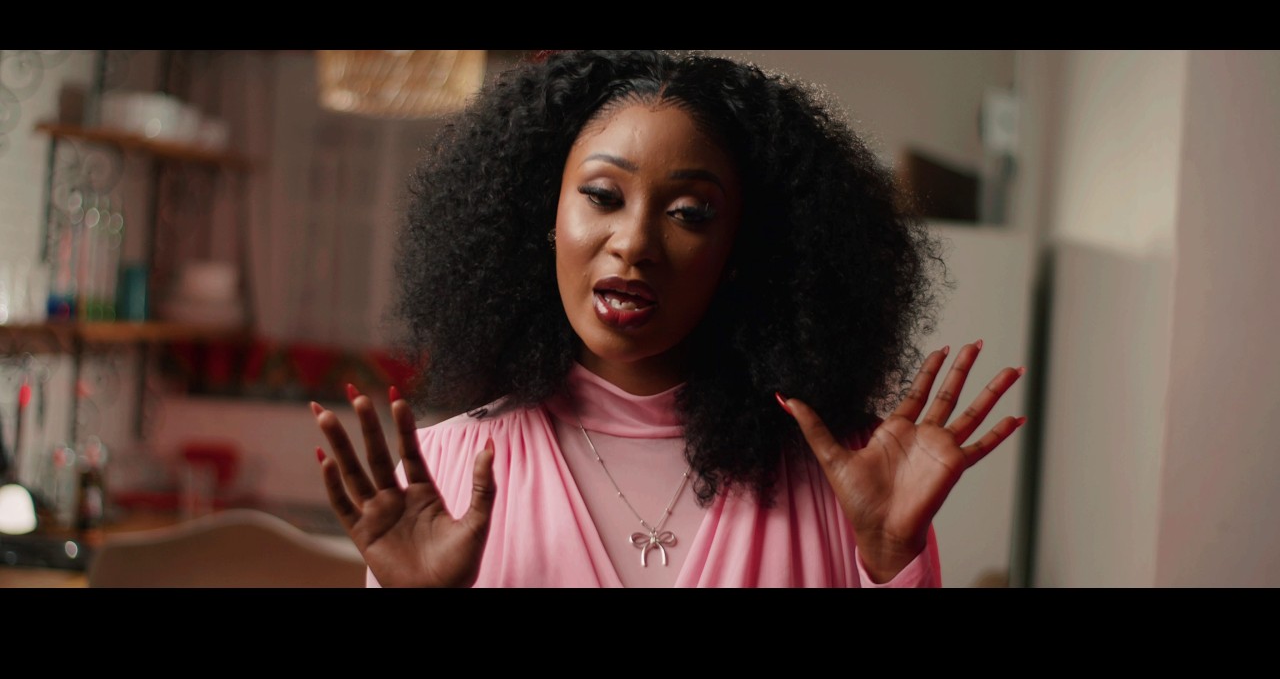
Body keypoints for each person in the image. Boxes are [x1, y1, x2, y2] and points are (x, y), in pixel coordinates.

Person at [309, 49, 1026, 588]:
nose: (634, 243)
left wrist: (893, 563)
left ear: (740, 251)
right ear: (543, 217)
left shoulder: (846, 481)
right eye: (602, 196)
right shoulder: (443, 471)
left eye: (689, 212)